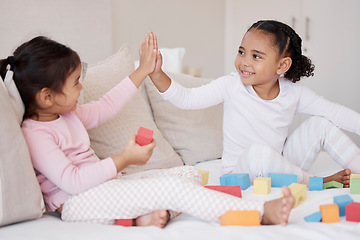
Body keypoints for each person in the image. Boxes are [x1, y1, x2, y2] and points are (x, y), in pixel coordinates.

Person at [0, 34, 295, 227]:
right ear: (47, 96)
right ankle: (258, 215)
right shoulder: (36, 134)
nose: (81, 88)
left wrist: (142, 70)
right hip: (77, 204)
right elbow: (73, 181)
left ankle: (142, 218)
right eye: (76, 82)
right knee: (172, 189)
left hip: (107, 188)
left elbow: (105, 106)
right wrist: (123, 160)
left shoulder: (68, 114)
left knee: (188, 174)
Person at [148, 20, 360, 188]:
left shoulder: (293, 91)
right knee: (260, 152)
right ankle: (316, 183)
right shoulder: (231, 85)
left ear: (282, 65)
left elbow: (334, 112)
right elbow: (187, 99)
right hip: (242, 174)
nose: (245, 61)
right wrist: (157, 74)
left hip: (279, 166)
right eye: (241, 52)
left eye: (256, 56)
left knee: (320, 125)